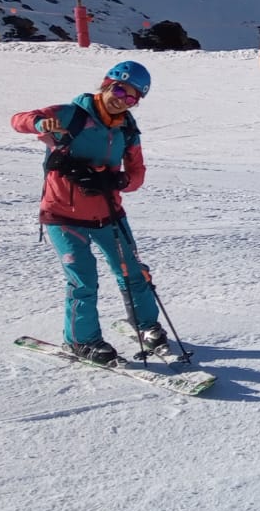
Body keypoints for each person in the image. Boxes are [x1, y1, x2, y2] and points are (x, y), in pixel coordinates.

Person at [11, 60, 162, 364]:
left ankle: (146, 325)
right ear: (107, 84)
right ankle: (82, 341)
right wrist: (41, 125)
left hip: (109, 213)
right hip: (63, 215)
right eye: (120, 89)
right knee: (83, 280)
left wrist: (118, 180)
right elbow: (19, 119)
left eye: (132, 97)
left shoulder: (127, 129)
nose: (123, 99)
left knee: (132, 271)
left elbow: (137, 174)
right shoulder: (72, 115)